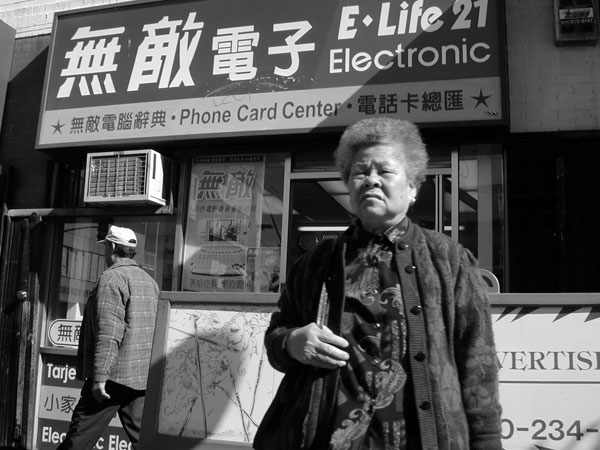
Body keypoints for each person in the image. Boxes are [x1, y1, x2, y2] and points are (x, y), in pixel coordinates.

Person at [254, 118, 502, 450]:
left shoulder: (449, 259)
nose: (371, 179)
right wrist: (291, 343)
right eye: (359, 172)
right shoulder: (315, 263)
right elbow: (277, 338)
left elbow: (478, 361)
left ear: (412, 187)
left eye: (385, 171)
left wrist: (486, 443)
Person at [57, 225, 159, 450]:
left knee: (79, 438)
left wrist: (100, 377)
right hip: (141, 376)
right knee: (144, 439)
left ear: (112, 247)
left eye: (105, 247)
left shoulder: (112, 279)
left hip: (113, 377)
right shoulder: (148, 281)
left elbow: (108, 333)